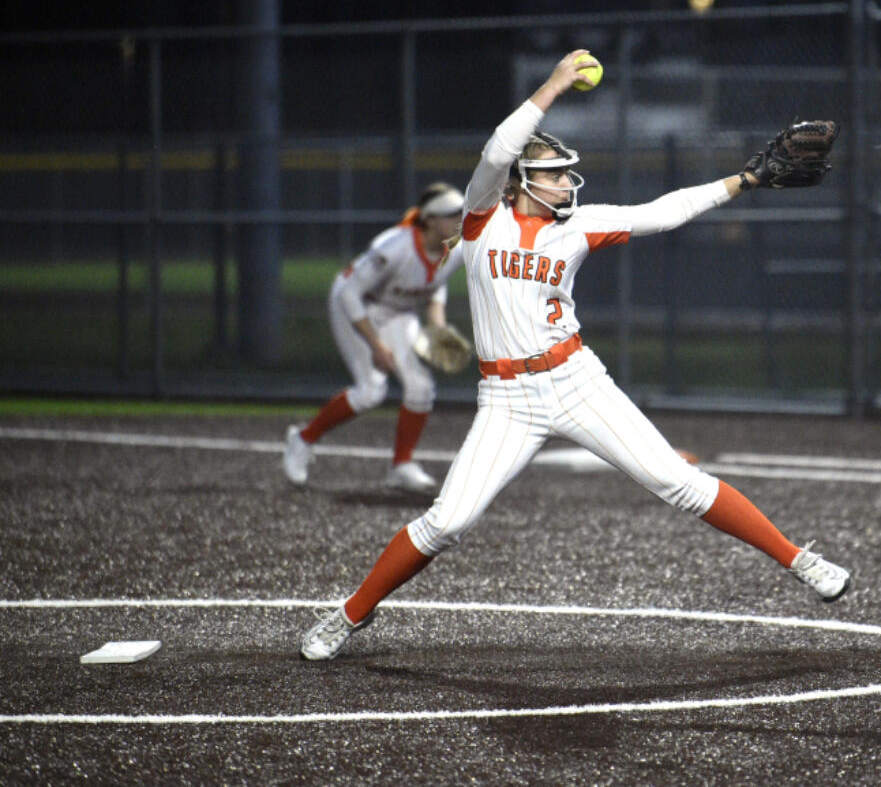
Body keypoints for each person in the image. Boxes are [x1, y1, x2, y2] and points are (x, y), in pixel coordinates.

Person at [300, 49, 850, 662]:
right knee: (446, 523)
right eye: (557, 172)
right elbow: (494, 152)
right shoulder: (483, 220)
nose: (568, 181)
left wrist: (742, 181)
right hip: (507, 399)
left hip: (576, 379)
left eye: (567, 172)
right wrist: (553, 85)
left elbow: (662, 213)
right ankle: (349, 615)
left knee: (678, 481)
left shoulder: (578, 224)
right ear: (523, 180)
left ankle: (801, 561)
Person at [282, 182, 467, 492]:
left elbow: (435, 283)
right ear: (430, 219)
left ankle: (402, 466)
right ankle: (302, 439)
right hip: (355, 307)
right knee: (371, 391)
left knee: (420, 387)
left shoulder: (457, 247)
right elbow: (351, 293)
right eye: (452, 214)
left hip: (397, 310)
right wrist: (377, 345)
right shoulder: (394, 247)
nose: (459, 220)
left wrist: (437, 325)